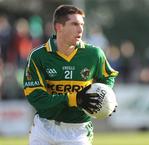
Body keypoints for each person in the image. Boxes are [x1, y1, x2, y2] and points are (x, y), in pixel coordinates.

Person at [23, 4, 118, 145]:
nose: (80, 29)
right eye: (74, 24)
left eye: (82, 24)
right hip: (44, 128)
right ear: (59, 27)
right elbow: (37, 98)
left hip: (78, 131)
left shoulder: (94, 54)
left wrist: (106, 96)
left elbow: (108, 76)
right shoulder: (38, 57)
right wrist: (74, 98)